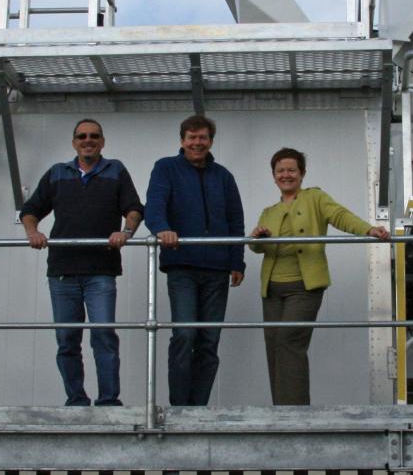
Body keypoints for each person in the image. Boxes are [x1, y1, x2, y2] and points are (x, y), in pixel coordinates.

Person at [249, 147, 389, 405]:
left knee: (288, 341)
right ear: (273, 176)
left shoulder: (315, 198)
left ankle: (295, 412)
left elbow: (339, 216)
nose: (286, 175)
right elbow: (256, 248)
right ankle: (280, 409)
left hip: (303, 286)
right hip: (272, 289)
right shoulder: (269, 211)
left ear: (302, 174)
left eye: (292, 170)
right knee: (274, 347)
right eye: (280, 171)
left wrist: (368, 229)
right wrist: (256, 238)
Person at [19, 118, 143, 406]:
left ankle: (109, 401)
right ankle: (76, 400)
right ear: (74, 142)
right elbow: (31, 209)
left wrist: (125, 232)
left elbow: (134, 209)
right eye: (82, 136)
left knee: (104, 337)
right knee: (67, 340)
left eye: (94, 136)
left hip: (101, 271)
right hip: (63, 272)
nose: (88, 140)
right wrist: (32, 232)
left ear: (103, 141)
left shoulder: (116, 170)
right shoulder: (57, 173)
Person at [145, 115, 246, 406]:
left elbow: (235, 220)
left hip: (217, 268)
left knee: (209, 342)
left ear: (210, 141)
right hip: (182, 266)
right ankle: (179, 408)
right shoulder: (166, 168)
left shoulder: (223, 176)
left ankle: (197, 409)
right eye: (191, 137)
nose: (197, 143)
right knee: (185, 334)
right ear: (182, 140)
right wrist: (161, 228)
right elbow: (154, 204)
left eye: (202, 137)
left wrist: (237, 261)